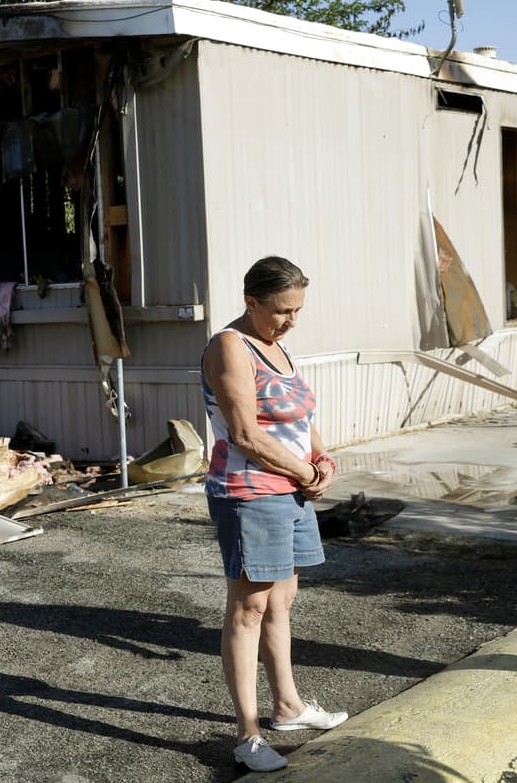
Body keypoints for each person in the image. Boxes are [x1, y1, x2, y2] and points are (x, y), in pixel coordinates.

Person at [200, 256, 347, 773]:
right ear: (251, 301)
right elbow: (245, 434)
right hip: (250, 491)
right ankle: (247, 736)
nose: (291, 320)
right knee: (248, 609)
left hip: (291, 490)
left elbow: (301, 417)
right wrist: (306, 473)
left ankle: (288, 706)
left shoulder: (277, 345)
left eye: (297, 310)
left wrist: (322, 458)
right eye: (282, 310)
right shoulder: (229, 346)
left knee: (282, 599)